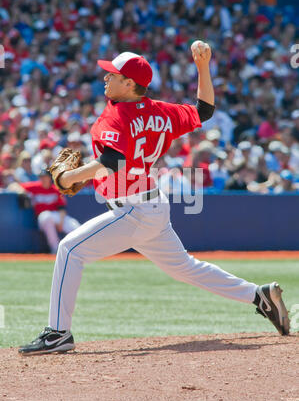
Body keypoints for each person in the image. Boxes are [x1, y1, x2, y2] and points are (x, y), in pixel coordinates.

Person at [19, 45, 290, 354]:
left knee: (69, 250)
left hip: (132, 209)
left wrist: (70, 177)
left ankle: (57, 333)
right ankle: (259, 296)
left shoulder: (115, 114)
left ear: (130, 84)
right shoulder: (160, 110)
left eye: (114, 74)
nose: (106, 77)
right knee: (186, 268)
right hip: (152, 205)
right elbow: (204, 110)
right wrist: (203, 67)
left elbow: (113, 161)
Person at [9, 169, 80, 254]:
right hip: (43, 217)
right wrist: (21, 192)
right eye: (41, 177)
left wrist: (61, 222)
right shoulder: (35, 187)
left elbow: (62, 208)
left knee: (75, 226)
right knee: (46, 216)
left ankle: (83, 248)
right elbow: (13, 185)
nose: (43, 179)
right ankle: (55, 248)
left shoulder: (55, 189)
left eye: (45, 177)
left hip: (57, 216)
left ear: (50, 178)